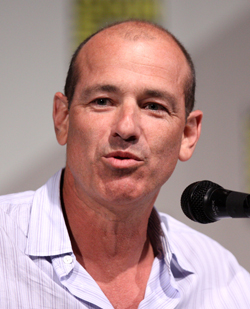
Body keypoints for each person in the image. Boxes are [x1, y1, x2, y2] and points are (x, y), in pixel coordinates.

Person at [0, 20, 249, 309]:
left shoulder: (222, 278)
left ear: (187, 134)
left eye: (154, 106)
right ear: (63, 118)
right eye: (103, 101)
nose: (126, 127)